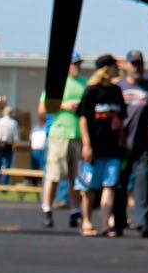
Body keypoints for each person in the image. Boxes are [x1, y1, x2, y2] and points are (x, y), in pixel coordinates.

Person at [115, 50, 148, 237]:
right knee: (120, 184)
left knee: (143, 182)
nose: (137, 67)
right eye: (134, 63)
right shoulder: (118, 88)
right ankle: (118, 221)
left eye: (140, 63)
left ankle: (143, 222)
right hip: (122, 144)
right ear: (127, 66)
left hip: (145, 143)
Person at [76, 54, 125, 237]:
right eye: (114, 66)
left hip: (112, 148)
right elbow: (83, 119)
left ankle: (105, 223)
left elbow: (121, 117)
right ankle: (87, 221)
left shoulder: (116, 91)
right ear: (105, 69)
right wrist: (86, 145)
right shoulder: (91, 91)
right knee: (89, 188)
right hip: (95, 147)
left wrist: (122, 138)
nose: (117, 70)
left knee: (109, 185)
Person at [38, 52, 85, 228]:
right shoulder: (56, 83)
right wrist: (65, 106)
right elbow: (42, 109)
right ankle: (47, 209)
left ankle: (75, 211)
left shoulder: (83, 84)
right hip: (59, 134)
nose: (77, 67)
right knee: (54, 175)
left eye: (79, 64)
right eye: (74, 64)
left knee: (76, 177)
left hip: (78, 135)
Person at [0, 106, 19, 186]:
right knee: (7, 167)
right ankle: (4, 186)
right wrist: (14, 148)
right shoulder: (14, 123)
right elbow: (15, 137)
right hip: (8, 145)